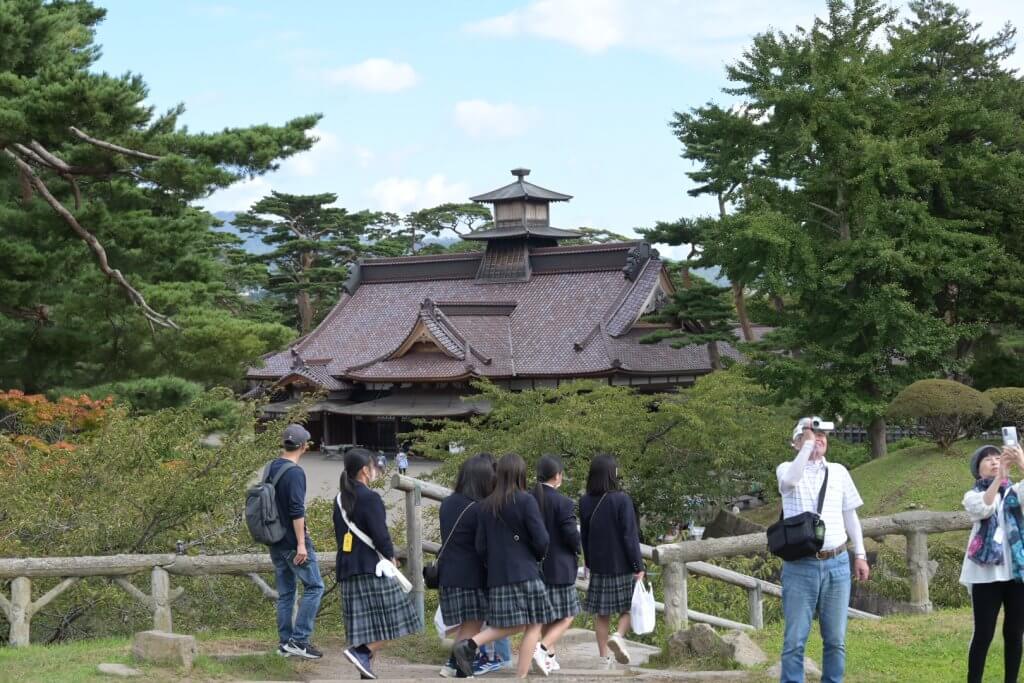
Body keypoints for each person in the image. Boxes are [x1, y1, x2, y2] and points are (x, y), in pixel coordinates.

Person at [776, 417, 870, 683]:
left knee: (836, 639)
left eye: (821, 437)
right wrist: (806, 447)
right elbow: (790, 483)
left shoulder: (839, 471)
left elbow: (850, 516)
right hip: (800, 566)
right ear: (795, 444)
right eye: (807, 437)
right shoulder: (786, 469)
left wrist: (860, 554)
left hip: (837, 562)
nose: (817, 440)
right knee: (795, 638)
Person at [451, 454, 555, 679]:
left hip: (497, 575)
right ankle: (520, 676)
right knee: (534, 624)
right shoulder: (526, 500)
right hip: (525, 572)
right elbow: (542, 539)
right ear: (520, 474)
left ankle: (469, 644)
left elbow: (480, 546)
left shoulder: (485, 505)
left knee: (513, 624)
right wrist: (536, 556)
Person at [334, 448, 422, 679]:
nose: (376, 471)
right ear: (365, 470)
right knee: (401, 619)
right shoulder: (370, 497)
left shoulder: (340, 498)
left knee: (366, 627)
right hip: (372, 567)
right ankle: (361, 653)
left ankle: (366, 669)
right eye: (374, 467)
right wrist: (390, 555)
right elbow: (380, 534)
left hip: (347, 568)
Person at [961, 443, 1024, 683]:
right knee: (983, 633)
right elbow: (985, 508)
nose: (994, 461)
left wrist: (1021, 462)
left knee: (1015, 632)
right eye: (987, 459)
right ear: (978, 470)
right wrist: (999, 479)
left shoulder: (1016, 492)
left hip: (1017, 574)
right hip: (985, 575)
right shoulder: (972, 495)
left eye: (998, 457)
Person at [579, 454, 644, 668]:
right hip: (622, 565)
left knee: (602, 614)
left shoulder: (585, 501)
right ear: (611, 473)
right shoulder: (622, 499)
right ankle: (619, 635)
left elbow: (584, 536)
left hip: (598, 566)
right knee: (629, 608)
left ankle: (603, 658)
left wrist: (588, 562)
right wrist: (638, 565)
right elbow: (629, 536)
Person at [438, 455, 498, 678]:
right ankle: (463, 670)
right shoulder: (480, 508)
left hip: (448, 572)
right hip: (470, 574)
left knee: (466, 623)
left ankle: (452, 664)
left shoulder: (448, 503)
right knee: (474, 622)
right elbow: (482, 546)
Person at [268, 424, 324, 659]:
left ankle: (285, 643)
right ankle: (299, 640)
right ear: (303, 446)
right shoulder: (295, 472)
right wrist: (302, 543)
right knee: (315, 587)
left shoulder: (272, 467)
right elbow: (296, 510)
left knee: (286, 593)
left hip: (275, 540)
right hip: (292, 542)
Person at [531, 454, 582, 674]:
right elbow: (571, 536)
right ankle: (541, 649)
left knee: (546, 615)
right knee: (568, 614)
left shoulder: (527, 497)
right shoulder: (564, 503)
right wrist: (579, 547)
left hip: (533, 566)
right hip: (560, 567)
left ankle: (550, 656)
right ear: (557, 476)